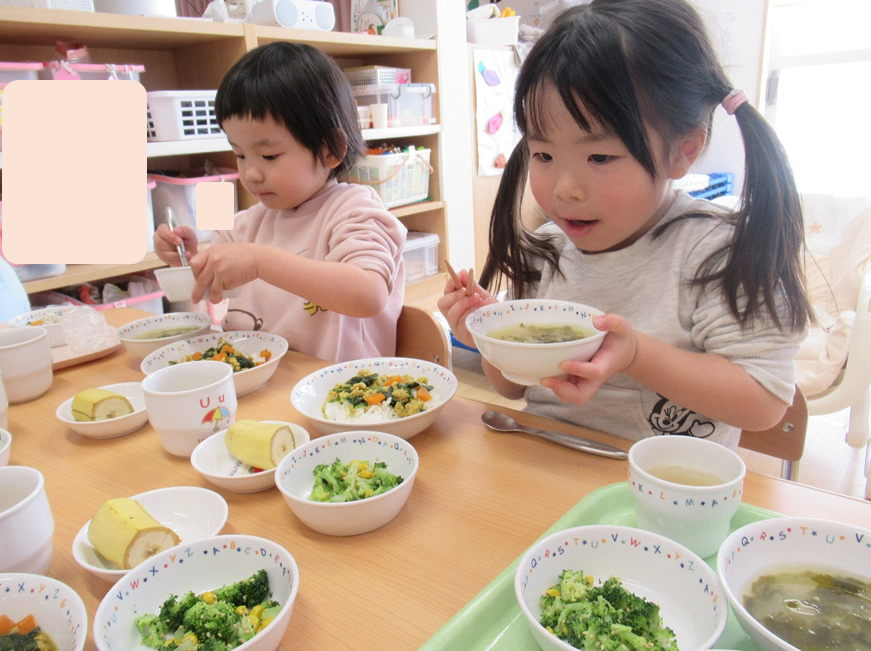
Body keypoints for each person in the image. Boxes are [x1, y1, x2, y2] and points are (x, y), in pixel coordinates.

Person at [439, 0, 812, 448]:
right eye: (543, 155)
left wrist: (636, 354)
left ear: (684, 151)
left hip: (662, 492)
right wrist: (489, 336)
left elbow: (764, 401)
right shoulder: (548, 249)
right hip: (543, 464)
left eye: (600, 156)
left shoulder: (714, 251)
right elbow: (514, 387)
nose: (566, 189)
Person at [154, 42, 407, 363]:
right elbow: (211, 292)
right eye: (240, 154)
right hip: (265, 386)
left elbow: (369, 295)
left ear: (330, 148)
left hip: (342, 396)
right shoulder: (245, 225)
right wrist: (187, 261)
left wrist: (261, 262)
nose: (251, 173)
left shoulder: (354, 210)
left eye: (269, 155)